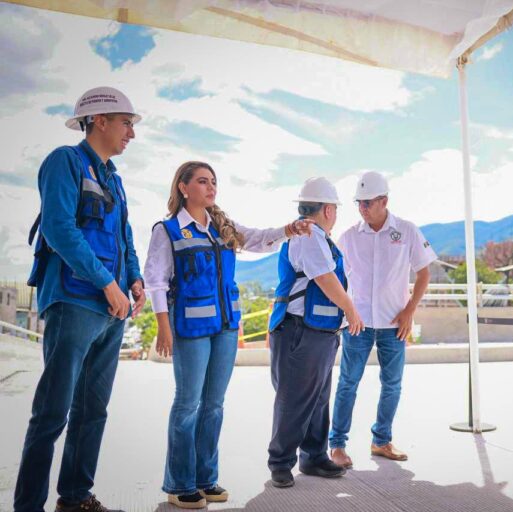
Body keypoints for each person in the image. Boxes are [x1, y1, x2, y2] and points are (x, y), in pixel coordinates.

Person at [144, 161, 314, 508]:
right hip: (189, 328)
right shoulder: (168, 230)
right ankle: (179, 483)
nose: (211, 188)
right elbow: (156, 281)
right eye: (203, 182)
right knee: (188, 404)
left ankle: (206, 478)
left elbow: (258, 238)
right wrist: (163, 326)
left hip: (224, 328)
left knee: (214, 405)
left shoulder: (222, 227)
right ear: (183, 187)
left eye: (214, 182)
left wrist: (289, 230)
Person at [16, 87, 145, 512]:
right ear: (100, 121)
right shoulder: (64, 162)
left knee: (93, 411)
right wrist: (108, 282)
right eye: (126, 122)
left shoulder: (115, 180)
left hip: (112, 309)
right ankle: (28, 505)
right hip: (75, 301)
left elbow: (124, 236)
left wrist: (135, 280)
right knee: (52, 412)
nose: (131, 132)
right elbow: (58, 228)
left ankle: (74, 497)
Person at [329, 171, 436, 468]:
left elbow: (425, 272)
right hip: (357, 323)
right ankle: (337, 446)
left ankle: (381, 440)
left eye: (367, 203)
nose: (362, 208)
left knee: (392, 384)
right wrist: (345, 312)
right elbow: (336, 279)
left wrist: (409, 310)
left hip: (394, 324)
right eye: (358, 203)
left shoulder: (407, 231)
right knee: (348, 383)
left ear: (384, 201)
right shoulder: (348, 237)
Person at [267, 177, 364, 488]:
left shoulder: (316, 236)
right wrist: (350, 309)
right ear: (326, 209)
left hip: (318, 330)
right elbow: (323, 277)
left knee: (319, 398)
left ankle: (314, 456)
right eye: (335, 208)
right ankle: (281, 462)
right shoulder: (308, 235)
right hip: (300, 330)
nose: (335, 214)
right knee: (294, 398)